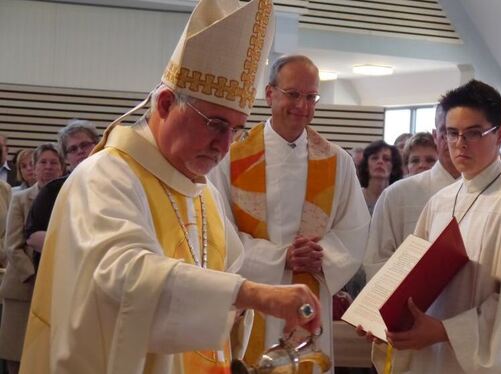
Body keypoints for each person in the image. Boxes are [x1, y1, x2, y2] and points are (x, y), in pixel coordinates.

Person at [20, 2, 322, 373]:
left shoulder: (203, 192)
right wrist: (253, 293)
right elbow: (125, 278)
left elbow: (227, 280)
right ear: (165, 103)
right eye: (214, 123)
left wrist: (247, 304)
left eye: (236, 129)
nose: (225, 144)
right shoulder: (106, 176)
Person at [363, 80, 501, 373]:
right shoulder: (441, 200)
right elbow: (411, 275)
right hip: (430, 355)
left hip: (466, 359)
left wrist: (443, 331)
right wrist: (382, 315)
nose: (460, 144)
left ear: (500, 134)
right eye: (452, 133)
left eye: (473, 133)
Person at [209, 54, 369, 372]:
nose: (303, 106)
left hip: (309, 295)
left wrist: (319, 255)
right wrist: (280, 258)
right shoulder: (231, 157)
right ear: (270, 94)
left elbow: (355, 230)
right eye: (293, 94)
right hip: (251, 301)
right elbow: (217, 230)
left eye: (311, 97)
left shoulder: (338, 161)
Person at [364, 104, 459, 280]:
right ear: (436, 136)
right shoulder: (396, 195)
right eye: (448, 132)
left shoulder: (492, 194)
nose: (458, 140)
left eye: (471, 133)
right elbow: (376, 262)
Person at [0, 143, 65, 374]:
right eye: (43, 163)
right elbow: (13, 246)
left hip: (58, 291)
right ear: (34, 168)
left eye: (53, 163)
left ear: (61, 168)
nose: (48, 167)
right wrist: (36, 277)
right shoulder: (20, 199)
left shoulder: (67, 197)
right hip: (24, 288)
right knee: (16, 357)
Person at [24, 119, 100, 271]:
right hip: (63, 272)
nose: (80, 151)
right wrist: (76, 247)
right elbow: (32, 237)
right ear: (66, 159)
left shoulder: (116, 184)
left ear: (98, 146)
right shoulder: (53, 190)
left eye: (85, 145)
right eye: (72, 149)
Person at [358, 140, 403, 214]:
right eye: (374, 158)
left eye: (386, 159)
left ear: (393, 167)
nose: (380, 161)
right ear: (366, 165)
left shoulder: (399, 199)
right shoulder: (356, 196)